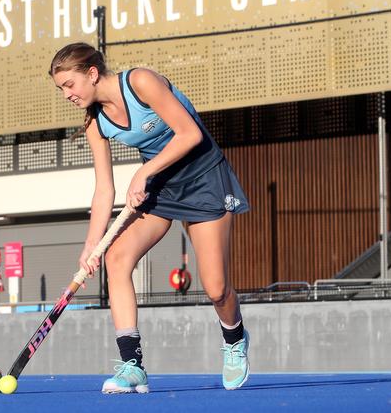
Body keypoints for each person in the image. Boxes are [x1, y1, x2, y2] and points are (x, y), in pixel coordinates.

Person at [49, 42, 250, 394]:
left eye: (69, 84)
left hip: (203, 178)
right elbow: (104, 190)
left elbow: (191, 134)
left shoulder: (140, 82)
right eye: (60, 88)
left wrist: (144, 173)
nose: (66, 94)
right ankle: (132, 365)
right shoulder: (96, 122)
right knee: (115, 257)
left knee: (216, 288)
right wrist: (91, 244)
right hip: (161, 188)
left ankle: (234, 339)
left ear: (92, 73)